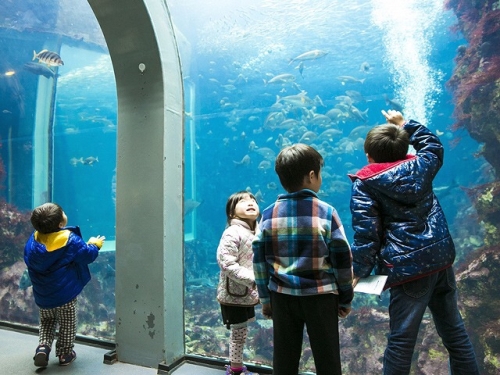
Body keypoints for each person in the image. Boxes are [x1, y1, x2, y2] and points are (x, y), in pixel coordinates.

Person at [349, 109, 479, 375]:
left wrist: (357, 271)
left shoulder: (366, 184)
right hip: (440, 261)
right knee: (454, 333)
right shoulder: (421, 166)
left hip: (407, 270)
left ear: (369, 157)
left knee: (401, 340)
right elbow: (433, 145)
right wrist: (404, 124)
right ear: (405, 146)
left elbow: (367, 234)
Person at [253, 144, 354, 375]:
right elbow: (342, 258)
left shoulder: (267, 215)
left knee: (284, 361)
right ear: (311, 176)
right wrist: (345, 297)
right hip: (321, 297)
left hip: (282, 296)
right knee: (328, 359)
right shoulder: (327, 212)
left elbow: (258, 262)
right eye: (320, 172)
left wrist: (265, 299)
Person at [24, 202, 105, 367]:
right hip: (65, 296)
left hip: (43, 294)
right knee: (67, 323)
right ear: (61, 223)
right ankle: (65, 353)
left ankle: (43, 347)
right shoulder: (70, 240)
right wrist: (94, 245)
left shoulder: (34, 240)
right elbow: (87, 256)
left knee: (47, 321)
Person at [216, 191, 261, 375]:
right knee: (238, 333)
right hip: (234, 294)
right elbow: (226, 263)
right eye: (243, 201)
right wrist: (253, 279)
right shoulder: (232, 232)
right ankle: (235, 370)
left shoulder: (258, 231)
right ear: (232, 213)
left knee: (242, 332)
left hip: (248, 293)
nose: (250, 203)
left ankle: (237, 366)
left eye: (253, 200)